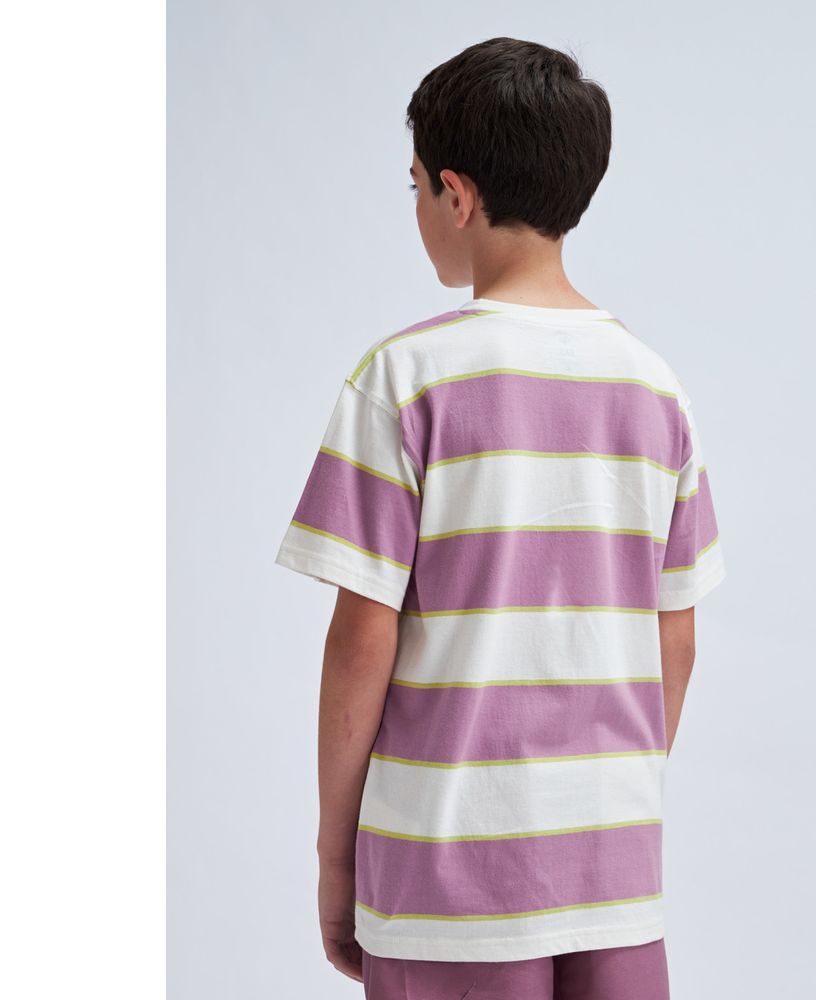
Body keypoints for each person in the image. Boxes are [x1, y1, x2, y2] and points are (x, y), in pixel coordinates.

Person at [274, 35, 726, 1000]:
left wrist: (336, 855)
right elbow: (676, 639)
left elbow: (362, 636)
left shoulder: (404, 378)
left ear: (457, 194)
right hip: (613, 871)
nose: (418, 210)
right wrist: (603, 802)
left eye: (414, 188)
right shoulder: (656, 389)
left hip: (447, 875)